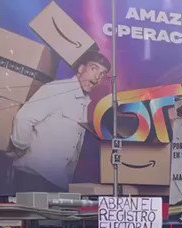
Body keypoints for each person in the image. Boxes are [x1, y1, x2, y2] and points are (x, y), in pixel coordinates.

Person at [11, 51, 111, 190]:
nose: (97, 76)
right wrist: (21, 147)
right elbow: (23, 118)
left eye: (102, 74)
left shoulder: (84, 102)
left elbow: (74, 150)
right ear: (81, 69)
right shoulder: (57, 89)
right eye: (94, 68)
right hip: (33, 176)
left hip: (56, 181)